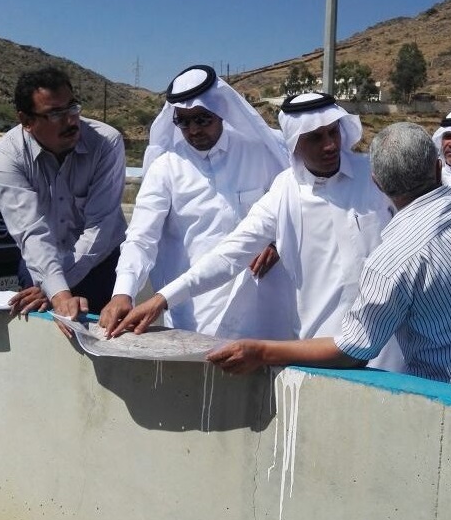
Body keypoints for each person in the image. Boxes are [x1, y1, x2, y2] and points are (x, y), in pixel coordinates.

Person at [207, 122, 451, 403]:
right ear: (437, 167)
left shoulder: (393, 261)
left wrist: (262, 351)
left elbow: (352, 350)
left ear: (377, 183)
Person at [104, 92, 403, 371]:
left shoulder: (376, 176)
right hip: (320, 346)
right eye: (315, 137)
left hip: (390, 343)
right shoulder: (284, 191)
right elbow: (228, 255)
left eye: (333, 132)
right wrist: (162, 298)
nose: (330, 146)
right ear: (295, 143)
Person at [100, 65, 294, 339]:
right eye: (183, 121)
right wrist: (123, 291)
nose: (193, 130)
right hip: (195, 310)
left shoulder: (259, 153)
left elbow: (290, 207)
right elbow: (141, 237)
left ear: (220, 111)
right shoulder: (165, 168)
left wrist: (275, 242)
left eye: (202, 119)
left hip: (258, 302)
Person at [0, 66, 126, 322]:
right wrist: (57, 290)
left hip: (100, 263)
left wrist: (53, 289)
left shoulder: (106, 143)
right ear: (26, 121)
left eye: (72, 108)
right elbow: (30, 231)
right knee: (40, 338)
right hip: (40, 259)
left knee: (102, 337)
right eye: (55, 114)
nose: (71, 121)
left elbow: (100, 226)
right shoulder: (9, 156)